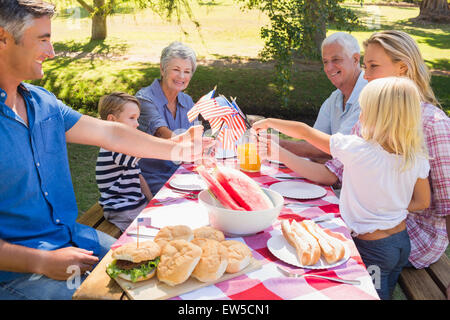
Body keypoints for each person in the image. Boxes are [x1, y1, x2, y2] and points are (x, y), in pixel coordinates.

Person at [0, 0, 212, 300]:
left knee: (163, 277)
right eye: (43, 39)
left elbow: (112, 134)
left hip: (70, 238)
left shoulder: (42, 102)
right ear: (3, 38)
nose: (51, 52)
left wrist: (177, 149)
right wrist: (41, 261)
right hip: (18, 272)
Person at [260, 30, 450, 279]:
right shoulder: (372, 117)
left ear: (402, 68)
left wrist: (383, 203)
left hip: (413, 237)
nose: (366, 74)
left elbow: (447, 205)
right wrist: (277, 152)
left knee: (318, 259)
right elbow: (332, 173)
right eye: (366, 66)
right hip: (370, 223)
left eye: (373, 66)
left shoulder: (433, 122)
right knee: (293, 232)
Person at [253, 76, 431, 300]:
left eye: (364, 110)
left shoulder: (356, 149)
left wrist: (270, 122)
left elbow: (306, 133)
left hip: (371, 247)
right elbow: (423, 202)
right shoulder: (416, 157)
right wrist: (390, 204)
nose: (360, 115)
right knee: (387, 289)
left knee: (369, 294)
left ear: (376, 117)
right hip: (400, 243)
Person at [279, 32, 367, 162]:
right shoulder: (335, 98)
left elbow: (336, 149)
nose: (329, 68)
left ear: (355, 59)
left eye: (336, 60)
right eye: (325, 62)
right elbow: (314, 143)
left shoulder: (368, 97)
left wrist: (277, 145)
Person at [136, 41, 198, 196]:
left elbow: (196, 137)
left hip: (183, 174)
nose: (182, 76)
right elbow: (162, 133)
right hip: (152, 177)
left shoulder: (187, 101)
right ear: (162, 69)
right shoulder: (144, 99)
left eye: (187, 71)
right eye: (176, 70)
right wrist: (196, 145)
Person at [95, 92, 152, 232]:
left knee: (156, 224)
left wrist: (152, 201)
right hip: (120, 208)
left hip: (135, 203)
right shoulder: (114, 145)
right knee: (144, 235)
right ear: (112, 120)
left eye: (137, 118)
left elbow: (138, 176)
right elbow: (149, 151)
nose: (137, 123)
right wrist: (173, 146)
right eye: (132, 118)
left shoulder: (124, 145)